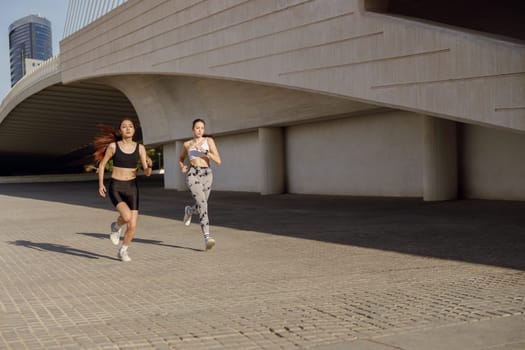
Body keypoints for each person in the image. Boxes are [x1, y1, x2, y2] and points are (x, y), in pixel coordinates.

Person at [94, 119, 152, 262]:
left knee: (132, 225)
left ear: (134, 130)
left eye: (130, 126)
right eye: (124, 127)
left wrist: (149, 165)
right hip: (116, 187)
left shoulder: (140, 148)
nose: (128, 129)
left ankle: (123, 250)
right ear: (120, 130)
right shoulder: (114, 147)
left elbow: (147, 173)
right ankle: (116, 226)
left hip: (132, 188)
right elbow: (102, 165)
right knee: (126, 217)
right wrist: (101, 184)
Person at [178, 118, 222, 250]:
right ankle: (207, 238)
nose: (200, 130)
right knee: (203, 204)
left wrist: (205, 151)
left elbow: (218, 160)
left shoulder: (209, 141)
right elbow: (181, 158)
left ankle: (190, 210)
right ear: (193, 129)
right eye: (197, 128)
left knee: (202, 203)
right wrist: (182, 166)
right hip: (193, 174)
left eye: (202, 128)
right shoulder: (187, 144)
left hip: (207, 174)